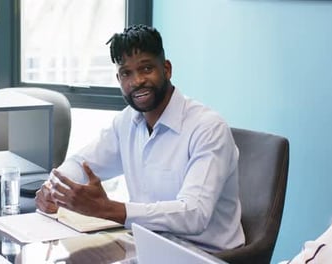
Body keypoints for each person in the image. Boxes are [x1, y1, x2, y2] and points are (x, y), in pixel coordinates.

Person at [35, 24, 245, 252]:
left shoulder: (208, 127)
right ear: (118, 79)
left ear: (167, 69)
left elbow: (194, 214)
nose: (136, 81)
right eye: (127, 73)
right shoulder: (127, 121)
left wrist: (108, 209)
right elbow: (81, 164)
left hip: (207, 255)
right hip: (148, 247)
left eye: (146, 68)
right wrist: (53, 189)